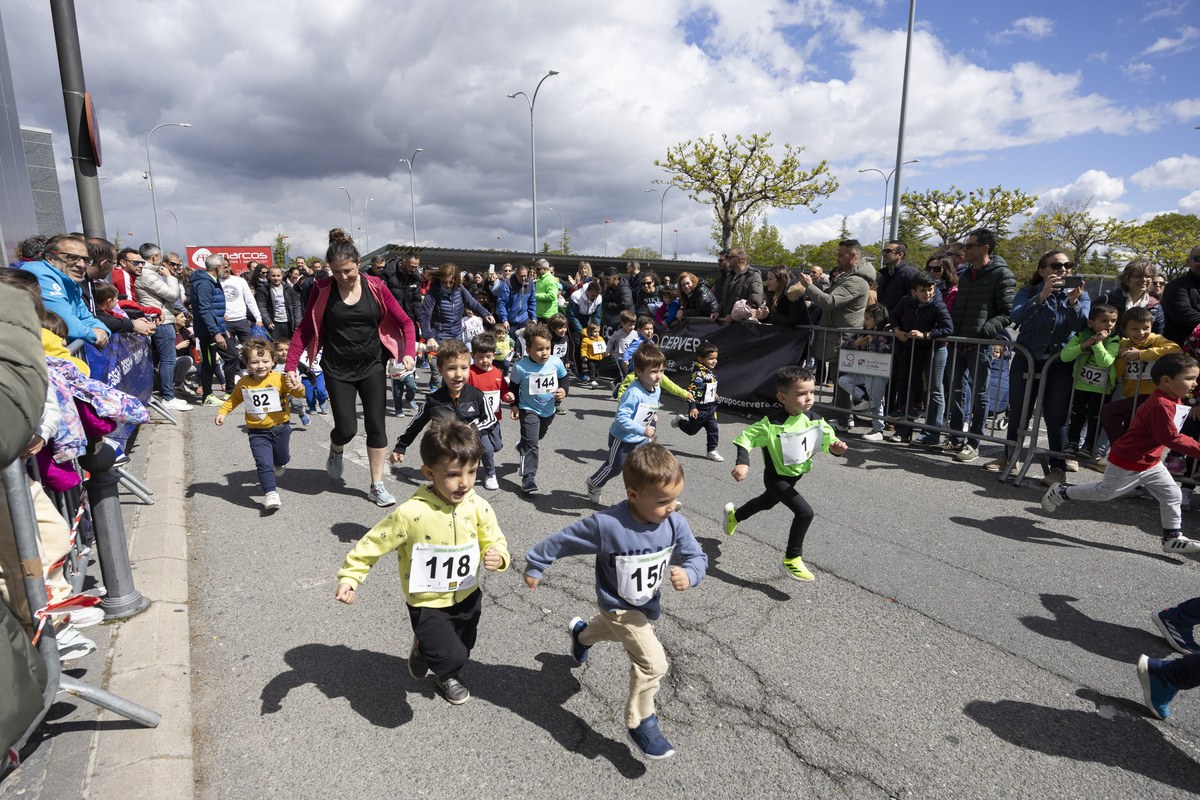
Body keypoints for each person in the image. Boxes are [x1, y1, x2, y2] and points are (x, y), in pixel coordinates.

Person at [523, 443, 706, 760]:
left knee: (606, 630)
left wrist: (690, 573)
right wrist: (537, 563)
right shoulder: (608, 525)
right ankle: (640, 722)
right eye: (663, 501)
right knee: (653, 664)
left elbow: (697, 557)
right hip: (618, 606)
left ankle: (581, 635)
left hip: (643, 606)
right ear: (633, 496)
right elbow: (565, 540)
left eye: (676, 499)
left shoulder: (675, 522)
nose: (672, 507)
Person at [336, 417, 510, 706]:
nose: (465, 482)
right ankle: (436, 657)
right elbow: (373, 543)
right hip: (427, 602)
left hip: (467, 594)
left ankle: (440, 668)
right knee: (450, 654)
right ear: (429, 472)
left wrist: (499, 555)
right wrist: (350, 578)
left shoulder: (478, 506)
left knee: (463, 648)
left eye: (472, 472)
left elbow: (495, 539)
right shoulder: (410, 514)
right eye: (453, 474)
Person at [285, 229, 417, 508]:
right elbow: (303, 330)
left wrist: (408, 353)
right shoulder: (322, 291)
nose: (343, 277)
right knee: (346, 428)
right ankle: (336, 450)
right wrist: (290, 367)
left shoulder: (376, 287)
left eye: (348, 270)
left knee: (376, 426)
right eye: (336, 272)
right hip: (336, 367)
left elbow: (405, 322)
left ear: (359, 261)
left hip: (372, 365)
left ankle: (376, 485)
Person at [1042, 353, 1200, 555]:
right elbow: (1171, 438)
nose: (1195, 383)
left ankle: (1172, 538)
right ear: (1166, 380)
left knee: (1172, 495)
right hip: (1128, 460)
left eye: (1195, 378)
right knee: (1104, 493)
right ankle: (1061, 492)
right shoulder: (1161, 404)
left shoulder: (1173, 397)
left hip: (1150, 462)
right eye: (1189, 379)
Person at [725, 366, 848, 581]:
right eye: (801, 394)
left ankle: (734, 516)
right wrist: (743, 463)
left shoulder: (815, 419)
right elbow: (745, 438)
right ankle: (791, 559)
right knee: (805, 513)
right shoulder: (770, 425)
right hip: (776, 478)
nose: (808, 398)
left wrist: (835, 449)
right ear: (782, 397)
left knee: (766, 503)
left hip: (795, 476)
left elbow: (827, 440)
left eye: (811, 392)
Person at [987, 251, 1089, 485]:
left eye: (1067, 266)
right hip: (1027, 357)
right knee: (1019, 412)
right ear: (1042, 271)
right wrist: (1042, 295)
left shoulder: (1079, 294)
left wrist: (1073, 302)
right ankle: (1010, 456)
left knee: (1056, 418)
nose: (1063, 270)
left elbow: (1081, 325)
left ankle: (1057, 468)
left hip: (1059, 363)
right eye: (1055, 266)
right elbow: (1016, 317)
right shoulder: (1029, 292)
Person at [941, 228, 1015, 463]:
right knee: (957, 391)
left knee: (980, 394)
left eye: (970, 245)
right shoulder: (964, 274)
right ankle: (955, 437)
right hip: (958, 342)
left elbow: (1007, 312)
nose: (965, 249)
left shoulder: (1002, 275)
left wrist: (985, 332)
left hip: (980, 345)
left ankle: (974, 443)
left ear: (985, 248)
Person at [214, 337, 305, 511]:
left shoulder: (280, 378)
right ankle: (270, 493)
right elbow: (233, 399)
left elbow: (299, 394)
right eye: (255, 362)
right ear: (247, 364)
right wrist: (223, 412)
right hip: (257, 432)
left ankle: (278, 464)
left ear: (273, 361)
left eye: (265, 361)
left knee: (282, 458)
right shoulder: (244, 383)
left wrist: (297, 387)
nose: (260, 365)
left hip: (281, 428)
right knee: (263, 463)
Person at [794, 239, 876, 430]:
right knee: (839, 379)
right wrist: (813, 286)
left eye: (841, 255)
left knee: (843, 380)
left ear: (853, 255)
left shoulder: (856, 281)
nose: (837, 259)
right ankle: (843, 417)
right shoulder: (848, 277)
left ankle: (847, 417)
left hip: (845, 339)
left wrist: (809, 286)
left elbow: (829, 302)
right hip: (837, 338)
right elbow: (830, 296)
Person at [391, 339, 492, 479]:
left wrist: (472, 428)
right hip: (442, 458)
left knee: (463, 487)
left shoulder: (477, 395)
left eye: (464, 368)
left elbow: (490, 420)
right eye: (451, 368)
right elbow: (416, 424)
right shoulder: (433, 400)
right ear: (440, 370)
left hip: (467, 455)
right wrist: (401, 446)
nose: (458, 374)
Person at [586, 342, 665, 505]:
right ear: (639, 371)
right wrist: (642, 430)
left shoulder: (656, 388)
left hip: (642, 438)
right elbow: (621, 419)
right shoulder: (633, 393)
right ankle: (594, 482)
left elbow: (651, 404)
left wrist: (653, 414)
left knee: (647, 467)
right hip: (622, 439)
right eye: (654, 372)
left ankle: (654, 499)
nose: (659, 376)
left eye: (662, 371)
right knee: (614, 468)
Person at [1097, 306, 1181, 445]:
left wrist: (1140, 354)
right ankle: (1122, 450)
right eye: (1134, 329)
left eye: (1146, 328)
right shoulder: (1123, 343)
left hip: (1152, 397)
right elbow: (1117, 374)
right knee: (1130, 431)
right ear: (1124, 329)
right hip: (1131, 397)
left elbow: (1175, 349)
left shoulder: (1155, 339)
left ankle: (1120, 449)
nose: (1141, 333)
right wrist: (1122, 357)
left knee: (1111, 412)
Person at [890, 271, 953, 445]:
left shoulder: (937, 305)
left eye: (930, 289)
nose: (927, 294)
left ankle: (929, 432)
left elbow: (948, 329)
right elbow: (894, 315)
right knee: (904, 378)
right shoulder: (905, 301)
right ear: (913, 292)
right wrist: (896, 330)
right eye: (923, 290)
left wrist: (925, 335)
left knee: (932, 388)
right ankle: (903, 416)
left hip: (930, 349)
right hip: (907, 347)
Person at [507, 322, 568, 494]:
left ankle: (523, 444)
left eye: (548, 348)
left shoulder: (555, 362)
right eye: (540, 349)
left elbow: (564, 379)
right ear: (528, 349)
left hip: (548, 410)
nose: (545, 353)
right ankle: (528, 477)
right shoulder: (520, 367)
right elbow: (513, 388)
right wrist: (514, 405)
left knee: (536, 437)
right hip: (528, 409)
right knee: (532, 444)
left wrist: (563, 390)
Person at [19, 232, 110, 348]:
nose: (82, 265)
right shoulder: (40, 275)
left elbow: (85, 316)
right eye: (71, 257)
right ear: (49, 258)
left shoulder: (70, 281)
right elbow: (67, 324)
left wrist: (103, 330)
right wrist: (93, 335)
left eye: (86, 259)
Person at [419, 263, 494, 391]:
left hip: (457, 336)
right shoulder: (434, 291)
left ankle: (457, 398)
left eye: (451, 282)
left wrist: (485, 313)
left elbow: (472, 303)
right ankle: (446, 399)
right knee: (449, 370)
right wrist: (429, 337)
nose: (448, 285)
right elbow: (425, 315)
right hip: (441, 338)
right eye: (445, 282)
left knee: (458, 369)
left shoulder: (459, 289)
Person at [1060, 305, 1121, 458]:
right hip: (1080, 385)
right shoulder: (1081, 335)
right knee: (1076, 414)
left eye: (1113, 321)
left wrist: (1098, 343)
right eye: (1104, 321)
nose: (1110, 325)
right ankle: (1072, 442)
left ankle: (1088, 445)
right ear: (1090, 323)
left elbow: (1105, 362)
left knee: (1095, 418)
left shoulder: (1114, 339)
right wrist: (1085, 345)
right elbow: (1065, 356)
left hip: (1102, 389)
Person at [133, 248, 189, 411]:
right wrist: (170, 277)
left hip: (161, 317)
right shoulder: (148, 274)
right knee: (169, 359)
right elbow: (172, 295)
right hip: (160, 320)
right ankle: (168, 397)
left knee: (166, 359)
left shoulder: (150, 273)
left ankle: (168, 395)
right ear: (154, 256)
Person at [836, 303, 892, 442]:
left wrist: (873, 341)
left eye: (868, 318)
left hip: (878, 372)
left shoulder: (888, 330)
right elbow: (845, 345)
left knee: (877, 402)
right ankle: (866, 399)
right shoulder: (863, 331)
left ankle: (878, 430)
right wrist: (856, 343)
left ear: (877, 319)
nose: (864, 321)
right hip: (863, 370)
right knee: (843, 380)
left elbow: (888, 349)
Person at [466, 333, 509, 491]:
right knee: (488, 449)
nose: (484, 361)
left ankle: (477, 454)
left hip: (494, 419)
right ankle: (490, 474)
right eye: (480, 357)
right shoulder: (470, 374)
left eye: (488, 356)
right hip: (477, 420)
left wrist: (508, 397)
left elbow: (503, 391)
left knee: (496, 446)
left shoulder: (497, 373)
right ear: (473, 356)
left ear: (494, 355)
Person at [669, 340, 723, 461]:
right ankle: (680, 421)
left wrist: (714, 394)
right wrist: (692, 406)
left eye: (715, 358)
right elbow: (692, 391)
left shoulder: (710, 370)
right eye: (710, 358)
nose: (714, 361)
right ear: (700, 359)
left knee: (713, 429)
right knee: (691, 431)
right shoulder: (698, 374)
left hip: (711, 408)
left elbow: (708, 386)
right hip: (699, 409)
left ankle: (711, 450)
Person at [190, 253, 232, 405]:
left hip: (217, 329)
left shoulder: (212, 281)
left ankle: (230, 391)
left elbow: (214, 308)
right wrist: (215, 332)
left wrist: (222, 328)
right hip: (208, 332)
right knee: (209, 363)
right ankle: (207, 395)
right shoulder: (204, 283)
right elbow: (205, 310)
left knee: (232, 356)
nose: (226, 270)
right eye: (224, 267)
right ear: (218, 267)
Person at [1098, 258, 1164, 336]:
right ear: (1126, 279)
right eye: (1138, 276)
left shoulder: (1155, 306)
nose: (1144, 280)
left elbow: (1157, 336)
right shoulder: (1106, 301)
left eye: (1148, 276)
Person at [1160, 244, 1200, 346]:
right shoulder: (1176, 287)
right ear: (1188, 262)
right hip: (1182, 353)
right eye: (1198, 259)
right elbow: (1185, 316)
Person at [494, 263, 537, 356]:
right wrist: (504, 319)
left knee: (525, 347)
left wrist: (533, 317)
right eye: (521, 276)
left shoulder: (530, 284)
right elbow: (501, 303)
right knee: (509, 349)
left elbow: (532, 302)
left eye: (525, 276)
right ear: (516, 274)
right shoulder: (507, 284)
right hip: (510, 320)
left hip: (524, 318)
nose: (523, 278)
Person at [566, 280, 603, 378]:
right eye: (592, 296)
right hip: (573, 320)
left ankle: (593, 371)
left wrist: (596, 329)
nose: (594, 299)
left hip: (587, 319)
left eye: (596, 296)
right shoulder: (576, 296)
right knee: (577, 344)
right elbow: (573, 316)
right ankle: (578, 371)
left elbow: (597, 315)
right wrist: (581, 330)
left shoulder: (598, 298)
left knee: (589, 343)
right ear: (587, 291)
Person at [254, 266, 301, 342]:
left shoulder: (289, 289)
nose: (276, 278)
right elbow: (262, 307)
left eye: (278, 276)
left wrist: (297, 323)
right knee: (274, 347)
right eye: (273, 276)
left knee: (288, 347)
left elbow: (297, 307)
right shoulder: (263, 290)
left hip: (288, 324)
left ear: (282, 276)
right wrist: (267, 321)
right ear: (268, 276)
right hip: (273, 324)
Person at [717, 247, 764, 321]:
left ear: (739, 259)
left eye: (730, 257)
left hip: (743, 327)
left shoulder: (753, 276)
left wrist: (734, 316)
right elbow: (724, 300)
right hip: (727, 325)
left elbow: (754, 303)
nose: (728, 260)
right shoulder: (730, 276)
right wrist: (717, 312)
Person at [876, 240, 917, 318]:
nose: (884, 254)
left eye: (888, 251)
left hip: (901, 327)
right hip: (884, 325)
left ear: (900, 255)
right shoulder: (884, 275)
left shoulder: (910, 274)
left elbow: (915, 304)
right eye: (883, 251)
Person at [606, 310, 638, 388]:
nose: (632, 327)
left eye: (634, 325)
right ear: (623, 324)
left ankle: (615, 382)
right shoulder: (617, 334)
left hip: (631, 358)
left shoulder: (635, 333)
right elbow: (611, 341)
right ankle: (624, 391)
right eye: (630, 325)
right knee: (625, 374)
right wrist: (608, 350)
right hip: (620, 357)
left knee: (631, 374)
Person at [601, 267, 635, 334]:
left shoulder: (624, 289)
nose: (605, 281)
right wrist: (608, 305)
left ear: (614, 279)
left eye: (608, 279)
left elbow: (626, 304)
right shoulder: (609, 288)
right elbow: (604, 302)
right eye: (605, 279)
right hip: (613, 316)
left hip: (624, 318)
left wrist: (612, 306)